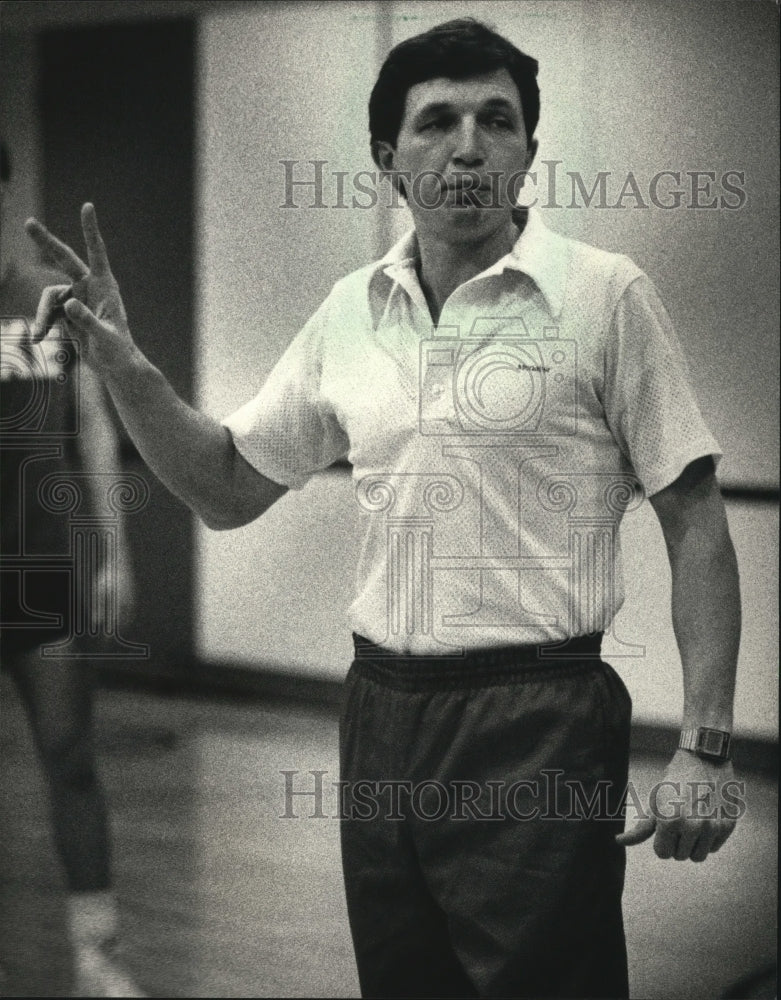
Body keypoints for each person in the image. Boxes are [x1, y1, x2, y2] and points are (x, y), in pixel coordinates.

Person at [24, 19, 741, 999]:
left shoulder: (606, 297)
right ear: (386, 160)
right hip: (381, 715)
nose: (468, 146)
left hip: (540, 715)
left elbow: (695, 519)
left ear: (529, 149)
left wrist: (703, 742)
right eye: (436, 122)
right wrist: (127, 367)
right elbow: (226, 488)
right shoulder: (350, 309)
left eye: (497, 120)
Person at [0, 141, 145, 998]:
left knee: (71, 757)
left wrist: (112, 552)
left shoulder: (46, 300)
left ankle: (98, 956)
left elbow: (93, 429)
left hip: (41, 570)